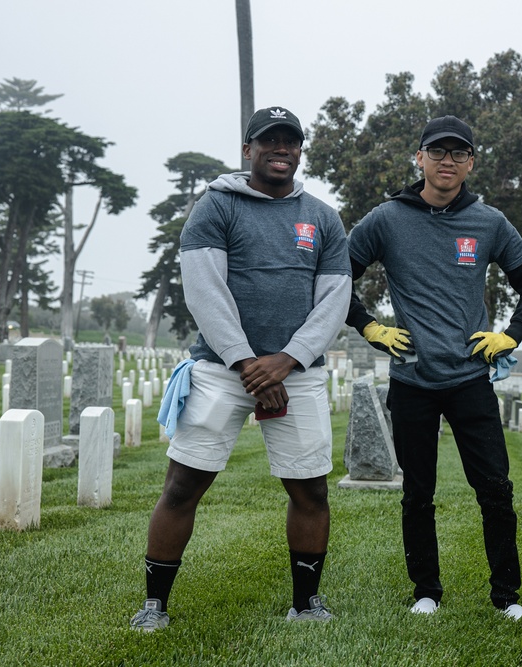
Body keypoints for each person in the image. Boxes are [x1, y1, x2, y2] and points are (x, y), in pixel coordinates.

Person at [129, 106, 351, 631]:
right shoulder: (216, 206)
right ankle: (154, 605)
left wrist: (288, 360)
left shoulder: (322, 217)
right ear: (247, 150)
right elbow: (205, 290)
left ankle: (305, 603)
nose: (281, 149)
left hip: (297, 371)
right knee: (183, 485)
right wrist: (249, 364)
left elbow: (335, 297)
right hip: (222, 369)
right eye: (268, 140)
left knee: (310, 490)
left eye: (290, 141)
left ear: (299, 150)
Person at [346, 115, 522, 621]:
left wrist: (511, 335)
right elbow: (333, 277)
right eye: (437, 152)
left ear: (470, 163)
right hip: (412, 381)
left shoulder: (489, 222)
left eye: (458, 154)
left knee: (496, 491)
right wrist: (368, 326)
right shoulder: (387, 218)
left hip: (470, 381)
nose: (447, 161)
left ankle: (507, 597)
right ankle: (426, 591)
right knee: (418, 494)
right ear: (419, 158)